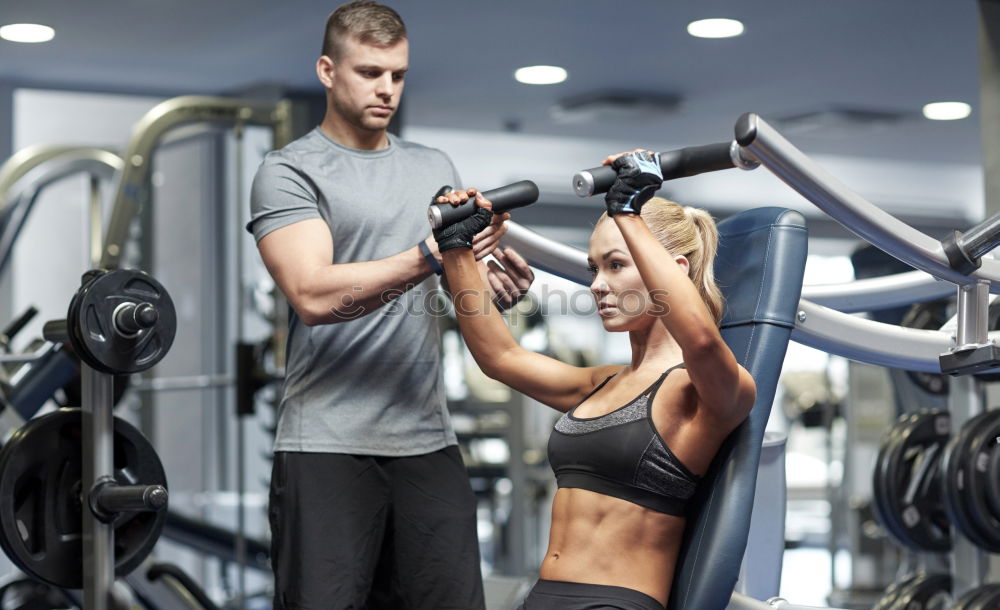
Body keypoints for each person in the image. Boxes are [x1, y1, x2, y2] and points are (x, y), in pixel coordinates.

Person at [245, 2, 534, 608]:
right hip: (327, 444)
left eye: (398, 75)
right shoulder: (289, 171)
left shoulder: (433, 167)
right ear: (327, 70)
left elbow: (458, 286)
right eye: (370, 72)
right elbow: (312, 293)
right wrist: (430, 254)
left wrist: (489, 280)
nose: (387, 89)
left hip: (428, 443)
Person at [433, 151, 757, 610]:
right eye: (594, 269)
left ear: (675, 272)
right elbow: (501, 358)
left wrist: (628, 212)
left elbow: (703, 343)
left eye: (616, 265)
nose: (597, 285)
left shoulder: (708, 392)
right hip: (543, 597)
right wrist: (456, 247)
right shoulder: (601, 384)